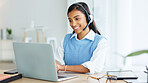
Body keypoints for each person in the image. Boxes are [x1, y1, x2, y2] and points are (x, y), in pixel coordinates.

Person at [55, 2, 107, 74]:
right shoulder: (66, 39)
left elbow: (94, 67)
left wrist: (63, 67)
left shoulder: (100, 42)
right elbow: (57, 63)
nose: (73, 24)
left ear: (88, 18)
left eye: (77, 19)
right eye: (70, 20)